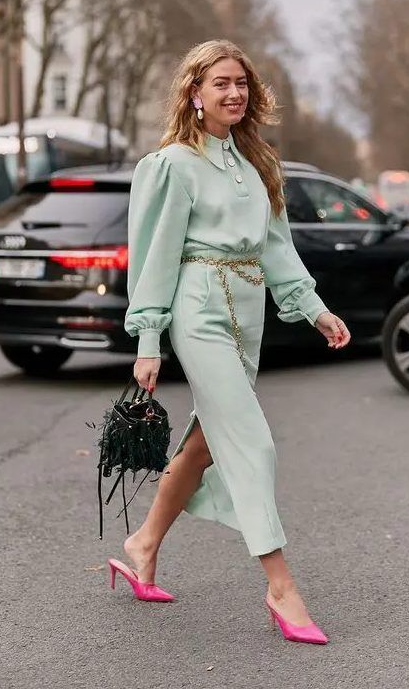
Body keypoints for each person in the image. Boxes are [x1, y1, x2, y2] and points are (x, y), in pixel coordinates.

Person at [108, 39, 351, 644]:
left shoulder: (258, 164)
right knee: (250, 441)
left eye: (240, 82)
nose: (234, 92)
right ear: (195, 93)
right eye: (220, 83)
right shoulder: (173, 164)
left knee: (204, 445)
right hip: (197, 305)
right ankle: (280, 585)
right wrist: (148, 338)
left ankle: (142, 546)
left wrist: (314, 309)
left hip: (249, 311)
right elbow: (155, 255)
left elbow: (277, 249)